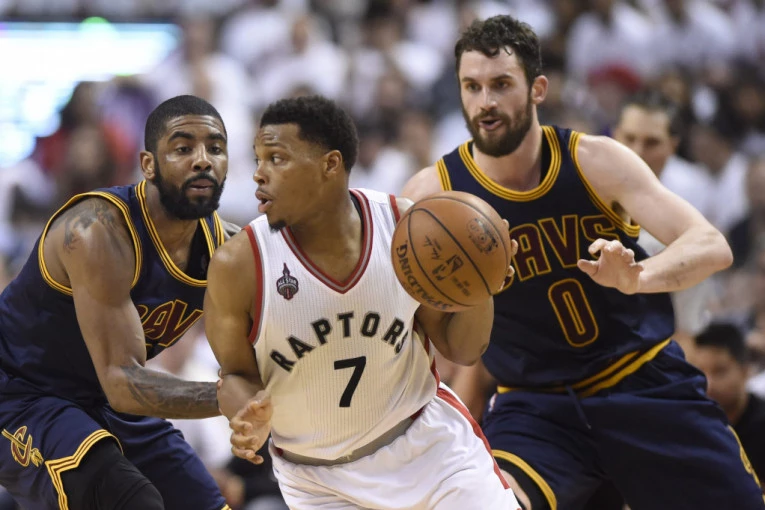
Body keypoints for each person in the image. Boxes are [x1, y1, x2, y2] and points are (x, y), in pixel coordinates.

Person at [401, 15, 764, 510]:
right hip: (536, 409)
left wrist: (638, 277)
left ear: (537, 89)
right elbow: (417, 325)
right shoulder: (433, 197)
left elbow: (710, 244)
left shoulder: (595, 160)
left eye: (501, 84)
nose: (485, 102)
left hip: (641, 382)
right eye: (472, 86)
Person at [204, 95, 521, 510]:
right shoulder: (238, 266)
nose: (259, 174)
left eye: (277, 159)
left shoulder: (406, 231)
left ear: (330, 164)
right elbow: (235, 375)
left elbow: (462, 349)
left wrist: (481, 288)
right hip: (320, 485)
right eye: (258, 159)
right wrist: (247, 412)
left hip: (429, 450)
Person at [0, 95, 234, 510]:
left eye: (215, 148)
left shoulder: (229, 250)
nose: (202, 160)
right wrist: (231, 397)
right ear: (148, 164)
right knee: (128, 499)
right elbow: (123, 381)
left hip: (103, 400)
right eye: (183, 148)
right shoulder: (96, 230)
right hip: (20, 393)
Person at [612, 90, 718, 344]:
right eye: (629, 138)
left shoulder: (689, 213)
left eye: (652, 142)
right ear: (614, 136)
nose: (638, 151)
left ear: (672, 146)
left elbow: (687, 332)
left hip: (662, 348)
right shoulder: (581, 196)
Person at [689, 322, 765, 486]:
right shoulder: (696, 425)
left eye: (719, 371)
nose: (708, 384)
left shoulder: (760, 427)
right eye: (700, 371)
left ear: (745, 371)